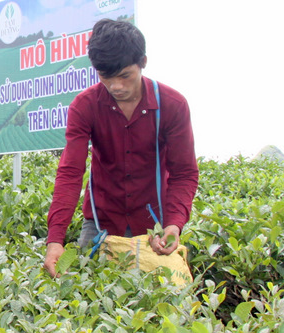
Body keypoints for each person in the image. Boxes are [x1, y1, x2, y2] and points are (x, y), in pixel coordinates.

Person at [43, 19, 199, 277]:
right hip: (101, 221)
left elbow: (184, 173)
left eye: (125, 75)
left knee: (165, 299)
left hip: (153, 225)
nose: (116, 86)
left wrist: (174, 224)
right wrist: (55, 239)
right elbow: (70, 173)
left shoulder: (172, 105)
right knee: (84, 297)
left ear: (143, 62)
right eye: (106, 77)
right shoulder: (85, 106)